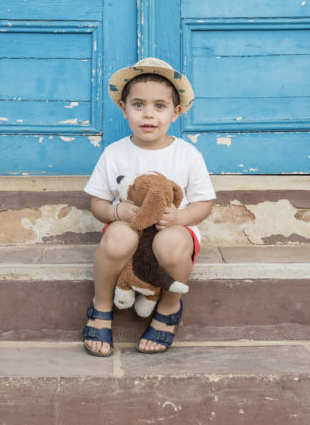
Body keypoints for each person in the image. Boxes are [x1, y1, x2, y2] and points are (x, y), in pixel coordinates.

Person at [81, 57, 215, 356]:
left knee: (170, 243)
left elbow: (205, 202)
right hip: (128, 228)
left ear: (176, 112)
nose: (148, 114)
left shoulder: (187, 155)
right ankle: (101, 305)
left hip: (172, 230)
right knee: (117, 236)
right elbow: (98, 202)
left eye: (160, 106)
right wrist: (116, 212)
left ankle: (169, 307)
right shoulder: (114, 153)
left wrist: (181, 216)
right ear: (123, 109)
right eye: (138, 105)